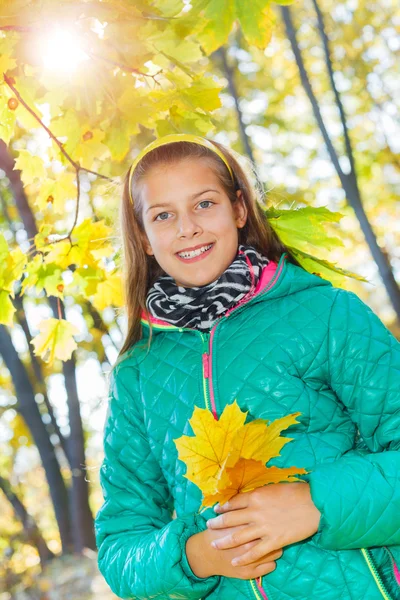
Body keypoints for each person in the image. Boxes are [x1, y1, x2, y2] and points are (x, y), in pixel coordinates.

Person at [94, 133, 400, 600]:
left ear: (238, 209)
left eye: (204, 204)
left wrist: (317, 505)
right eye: (163, 215)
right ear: (144, 238)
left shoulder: (327, 314)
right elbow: (121, 545)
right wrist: (193, 557)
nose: (187, 228)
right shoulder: (136, 375)